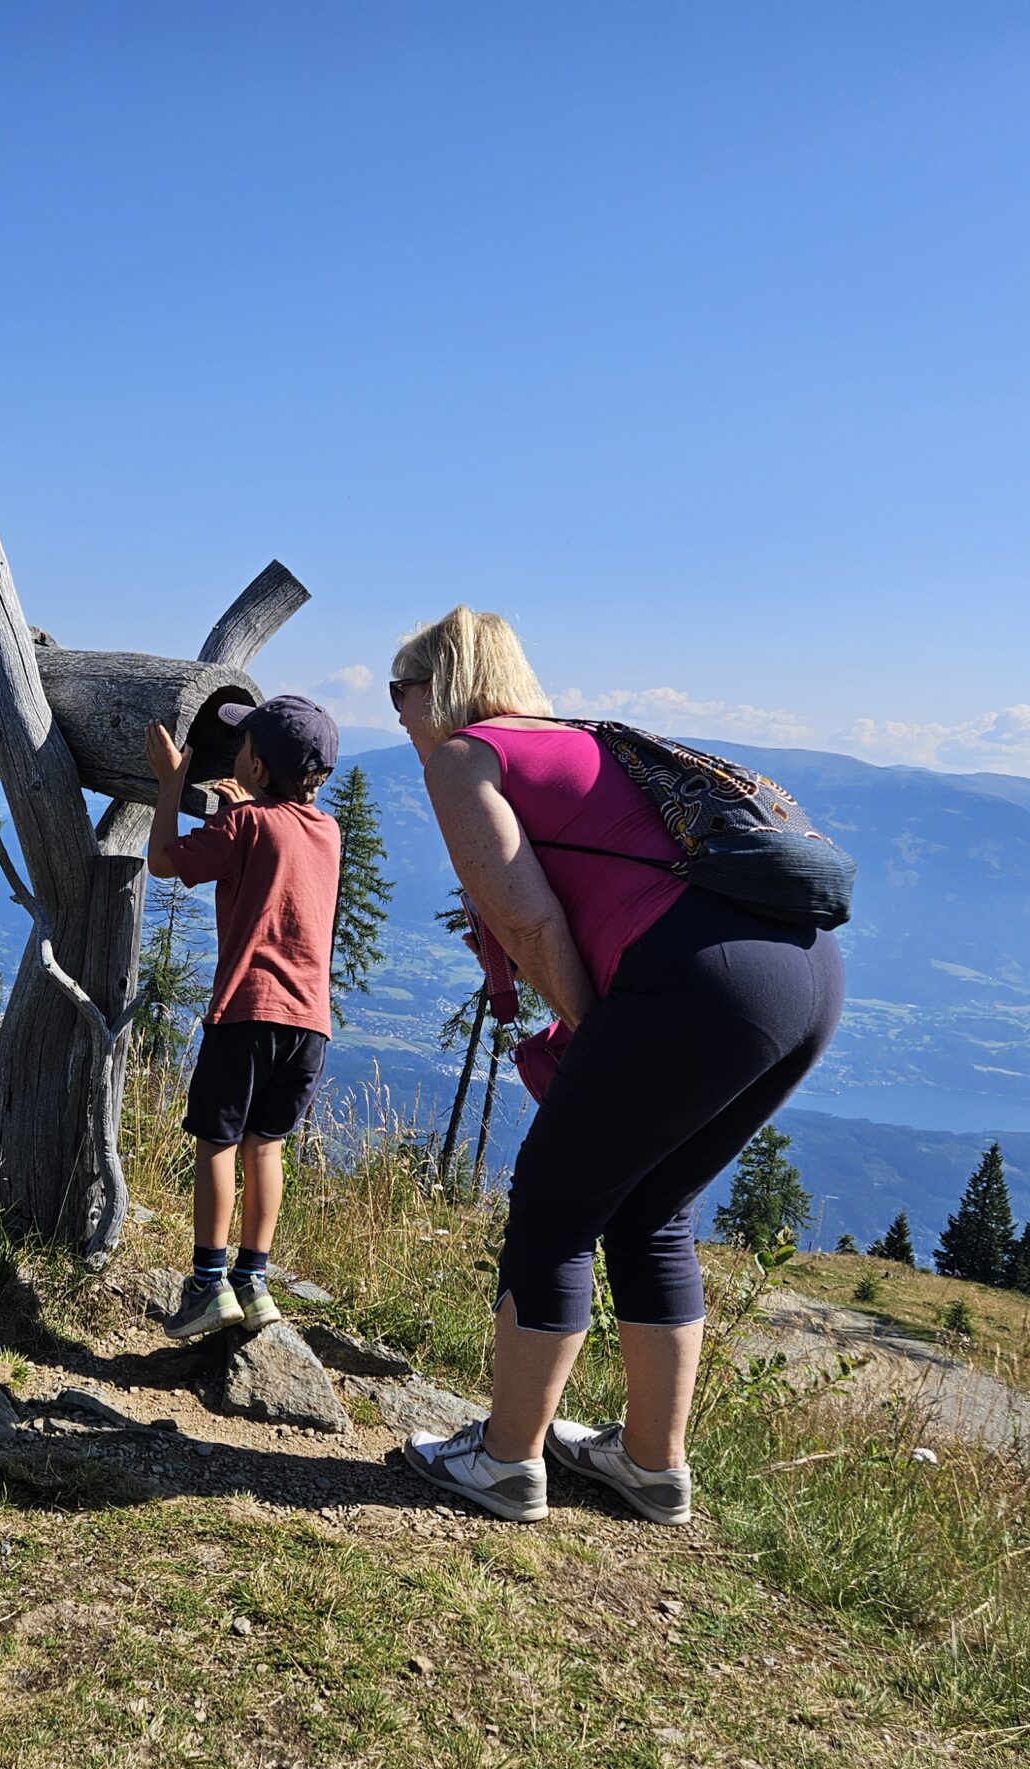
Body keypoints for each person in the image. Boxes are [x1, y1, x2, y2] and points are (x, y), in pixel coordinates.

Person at [390, 609, 843, 1524]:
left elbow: (528, 920)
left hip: (696, 981)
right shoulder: (589, 743)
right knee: (650, 1213)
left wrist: (599, 1038)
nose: (396, 711)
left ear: (441, 685)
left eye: (400, 689)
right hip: (807, 977)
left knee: (554, 1208)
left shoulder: (467, 757)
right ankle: (650, 1464)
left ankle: (506, 1460)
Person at [143, 695, 343, 1340]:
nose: (234, 753)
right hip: (309, 1024)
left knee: (218, 1143)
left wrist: (171, 784)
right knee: (267, 1146)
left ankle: (207, 1284)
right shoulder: (328, 831)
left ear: (255, 769)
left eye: (243, 746)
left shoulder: (245, 825)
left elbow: (165, 860)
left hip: (246, 1013)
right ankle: (253, 1282)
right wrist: (243, 811)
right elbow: (277, 849)